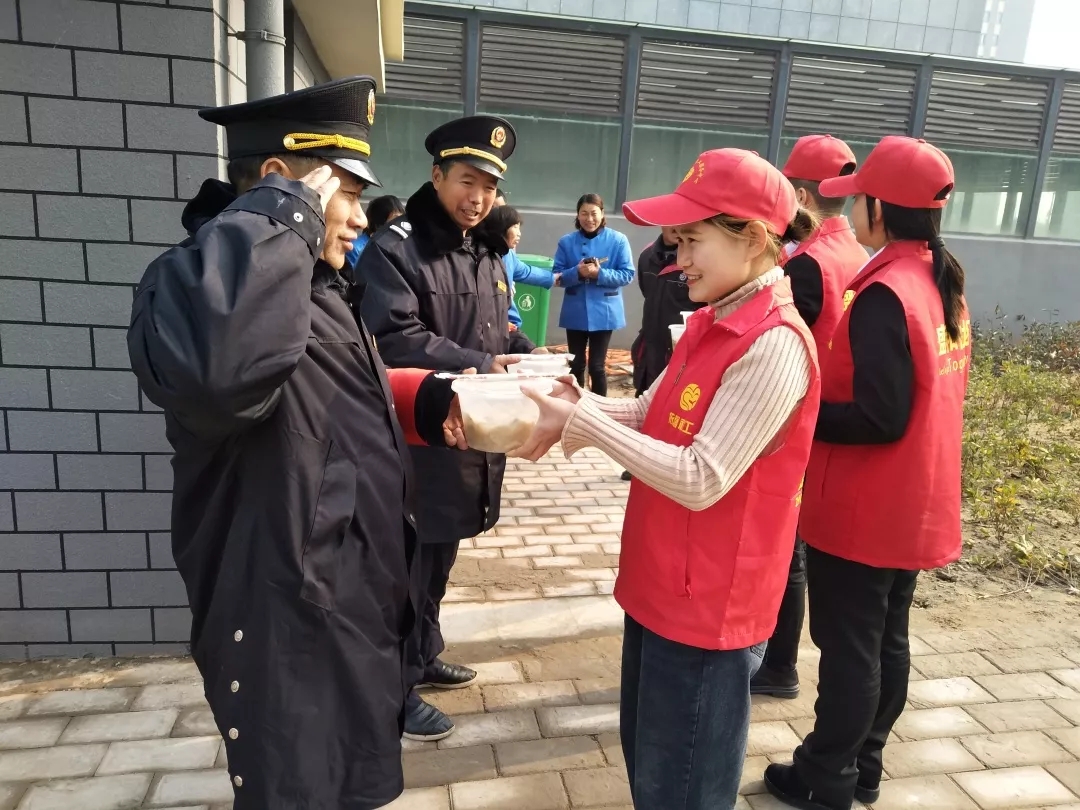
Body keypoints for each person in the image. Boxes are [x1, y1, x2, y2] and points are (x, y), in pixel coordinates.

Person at [127, 77, 478, 810]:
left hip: (346, 601)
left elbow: (329, 395)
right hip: (288, 612)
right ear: (282, 182)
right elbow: (223, 377)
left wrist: (426, 400)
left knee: (348, 777)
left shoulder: (309, 280)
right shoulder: (197, 285)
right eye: (345, 193)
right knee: (298, 786)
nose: (360, 218)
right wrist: (284, 216)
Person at [510, 149, 821, 810]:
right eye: (676, 242)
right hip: (662, 583)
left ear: (755, 239)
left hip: (707, 605)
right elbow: (648, 413)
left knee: (681, 789)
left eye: (692, 241)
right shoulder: (712, 319)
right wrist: (570, 400)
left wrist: (584, 425)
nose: (678, 260)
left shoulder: (773, 343)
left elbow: (703, 476)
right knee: (651, 771)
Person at [764, 136, 970, 810]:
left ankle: (826, 775)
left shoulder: (887, 293)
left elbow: (880, 415)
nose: (851, 214)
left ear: (881, 208)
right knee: (886, 640)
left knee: (850, 649)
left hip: (865, 507)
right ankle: (865, 764)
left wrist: (803, 412)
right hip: (913, 498)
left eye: (858, 202)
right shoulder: (940, 280)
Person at [356, 115, 522, 741]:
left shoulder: (484, 251)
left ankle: (423, 655)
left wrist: (524, 353)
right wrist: (482, 363)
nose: (478, 198)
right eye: (466, 182)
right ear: (436, 176)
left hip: (466, 434)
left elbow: (494, 328)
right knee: (406, 569)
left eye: (489, 187)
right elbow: (394, 336)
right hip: (417, 437)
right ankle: (393, 695)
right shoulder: (397, 250)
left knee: (440, 556)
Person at [751, 134, 869, 701]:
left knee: (786, 548)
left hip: (797, 418)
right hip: (831, 421)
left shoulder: (807, 265)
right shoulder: (859, 256)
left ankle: (777, 665)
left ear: (799, 195)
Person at [554, 193, 635, 394]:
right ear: (577, 215)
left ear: (602, 213)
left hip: (604, 310)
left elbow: (627, 275)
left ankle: (600, 407)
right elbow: (557, 276)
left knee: (597, 366)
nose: (589, 219)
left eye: (593, 213)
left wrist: (600, 273)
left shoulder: (618, 240)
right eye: (584, 213)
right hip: (575, 309)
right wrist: (577, 272)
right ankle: (574, 405)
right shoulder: (566, 242)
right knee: (576, 363)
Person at [479, 204, 556, 353]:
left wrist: (555, 278)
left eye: (519, 228)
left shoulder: (508, 255)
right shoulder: (482, 257)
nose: (519, 234)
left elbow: (526, 271)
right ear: (501, 227)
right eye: (515, 227)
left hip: (510, 328)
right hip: (491, 329)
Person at [345, 193, 405, 268]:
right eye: (395, 219)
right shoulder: (355, 249)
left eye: (402, 218)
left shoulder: (400, 245)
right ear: (379, 223)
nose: (400, 224)